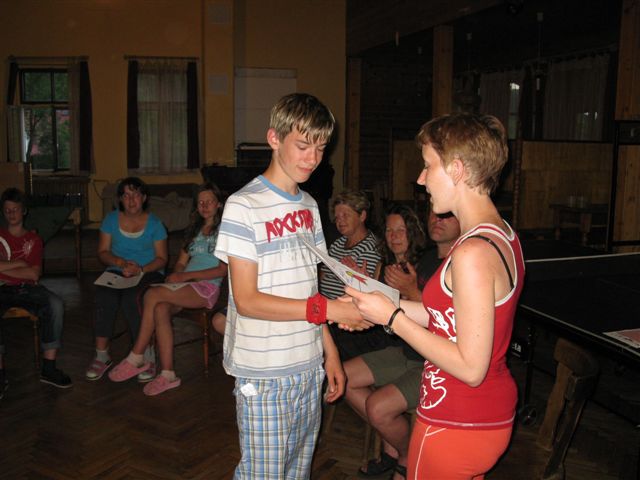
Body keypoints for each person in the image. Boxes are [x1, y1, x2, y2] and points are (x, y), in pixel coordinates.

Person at [346, 113, 525, 479]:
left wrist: (392, 319)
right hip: (482, 415)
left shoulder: (472, 253)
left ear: (456, 170)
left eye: (428, 166)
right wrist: (388, 306)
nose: (421, 178)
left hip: (456, 418)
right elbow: (451, 318)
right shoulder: (501, 234)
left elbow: (470, 368)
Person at [214, 92, 367, 479]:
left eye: (321, 148)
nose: (313, 159)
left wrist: (329, 352)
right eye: (303, 145)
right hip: (264, 371)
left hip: (308, 366)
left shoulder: (310, 206)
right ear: (274, 138)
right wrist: (328, 310)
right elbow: (246, 301)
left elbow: (308, 287)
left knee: (297, 472)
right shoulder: (243, 206)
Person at [345, 205, 460, 479]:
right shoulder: (424, 260)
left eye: (401, 230)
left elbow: (448, 325)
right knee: (342, 377)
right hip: (404, 350)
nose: (394, 236)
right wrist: (361, 284)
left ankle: (406, 455)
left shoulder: (456, 265)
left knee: (377, 407)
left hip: (434, 363)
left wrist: (410, 291)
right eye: (389, 230)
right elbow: (393, 316)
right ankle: (399, 443)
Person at [108, 182, 227, 395]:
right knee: (160, 307)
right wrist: (176, 275)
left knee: (152, 293)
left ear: (218, 204)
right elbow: (181, 262)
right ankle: (168, 374)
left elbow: (222, 270)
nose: (204, 206)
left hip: (206, 287)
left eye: (209, 201)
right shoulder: (194, 231)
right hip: (185, 285)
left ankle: (137, 355)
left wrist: (185, 276)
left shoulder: (225, 231)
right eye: (200, 202)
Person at [85, 177, 168, 383]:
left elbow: (162, 259)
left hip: (148, 271)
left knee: (134, 298)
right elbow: (102, 252)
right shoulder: (110, 220)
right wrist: (119, 262)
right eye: (126, 195)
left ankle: (145, 355)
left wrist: (140, 269)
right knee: (104, 297)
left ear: (144, 198)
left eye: (136, 195)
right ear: (120, 199)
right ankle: (102, 356)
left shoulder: (155, 224)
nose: (131, 200)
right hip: (118, 270)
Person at [0, 188, 72, 393]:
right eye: (7, 210)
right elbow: (27, 269)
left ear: (24, 211)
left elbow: (34, 274)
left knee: (55, 304)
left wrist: (7, 267)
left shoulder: (33, 240)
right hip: (2, 287)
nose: (11, 214)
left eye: (15, 209)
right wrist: (20, 263)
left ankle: (49, 367)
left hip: (27, 288)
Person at [319, 190, 383, 360]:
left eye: (345, 215)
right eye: (337, 217)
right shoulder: (338, 244)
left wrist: (359, 279)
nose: (340, 221)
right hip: (325, 313)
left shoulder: (371, 247)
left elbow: (369, 291)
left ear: (362, 216)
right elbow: (323, 276)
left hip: (347, 323)